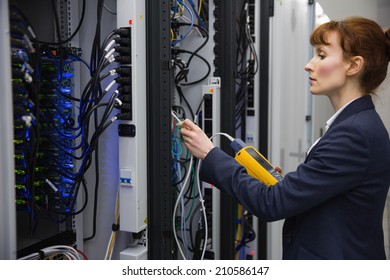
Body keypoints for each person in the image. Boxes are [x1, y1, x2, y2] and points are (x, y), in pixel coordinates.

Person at [179, 17, 390, 260]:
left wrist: (210, 153)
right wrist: (284, 184)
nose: (309, 65)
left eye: (321, 55)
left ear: (354, 65)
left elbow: (272, 204)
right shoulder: (356, 124)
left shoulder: (355, 134)